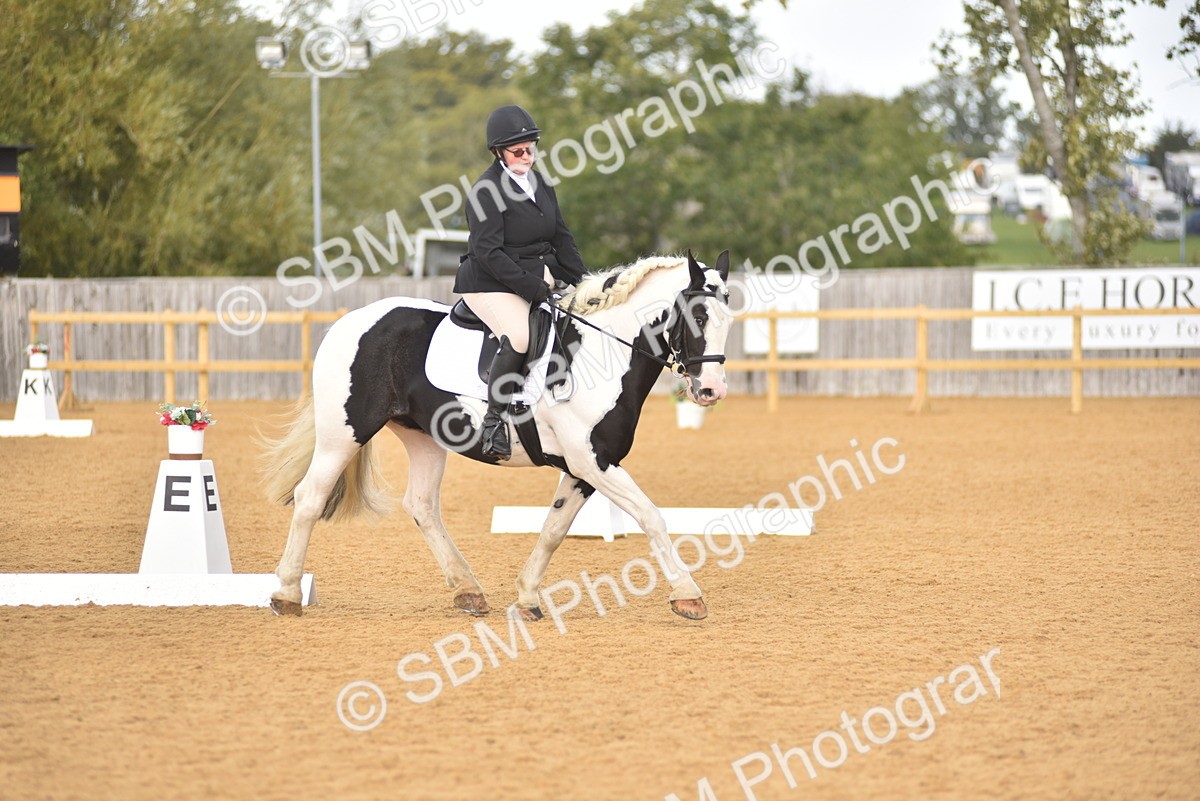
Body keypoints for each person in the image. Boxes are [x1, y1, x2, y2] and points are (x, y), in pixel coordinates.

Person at [454, 104, 587, 460]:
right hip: (488, 280)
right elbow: (489, 252)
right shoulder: (485, 191)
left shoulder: (540, 183)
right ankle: (493, 423)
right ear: (499, 152)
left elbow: (562, 236)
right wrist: (532, 287)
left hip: (532, 274)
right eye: (518, 151)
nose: (527, 156)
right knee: (520, 336)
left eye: (532, 148)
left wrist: (584, 280)